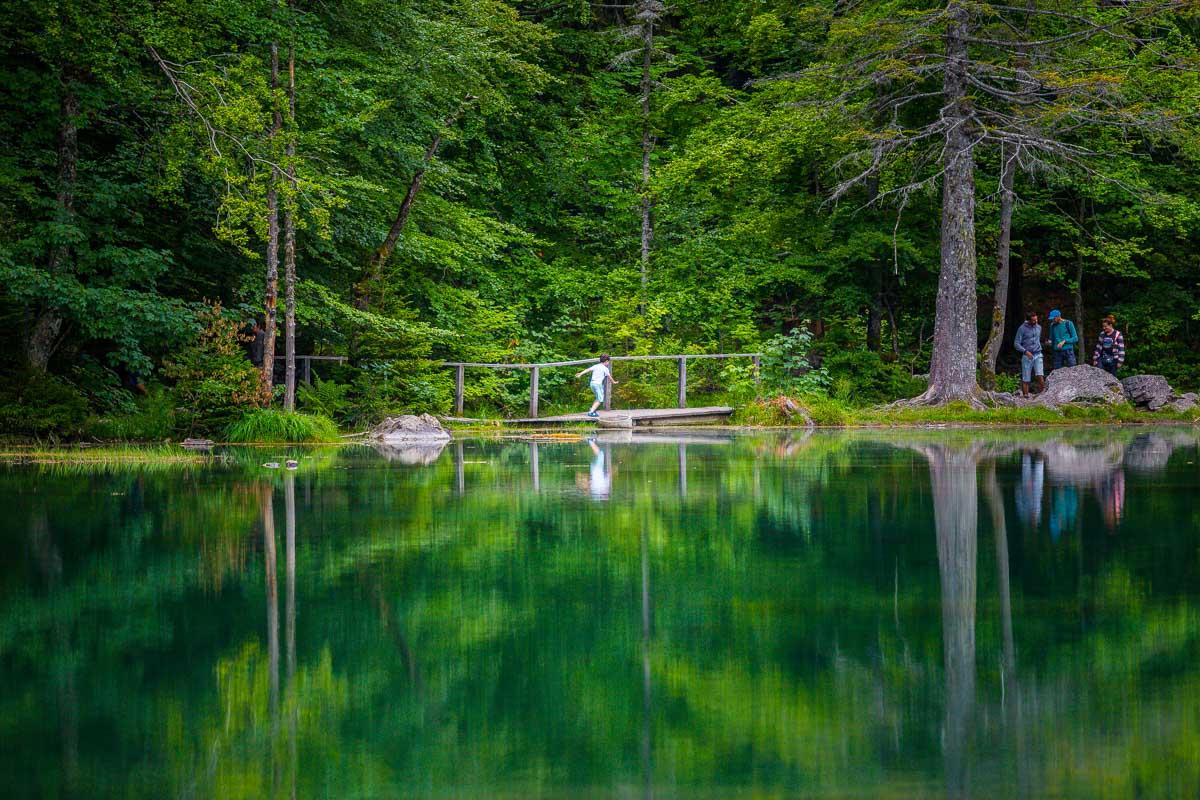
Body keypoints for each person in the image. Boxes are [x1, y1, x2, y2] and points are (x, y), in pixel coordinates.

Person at [1013, 311, 1045, 397]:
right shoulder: (1022, 329)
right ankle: (1026, 396)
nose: (1035, 322)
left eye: (1036, 319)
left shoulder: (1039, 327)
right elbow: (1016, 343)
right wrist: (1025, 352)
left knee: (1040, 374)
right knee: (1026, 377)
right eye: (1033, 320)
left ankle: (1043, 395)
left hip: (1038, 354)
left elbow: (1038, 340)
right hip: (1027, 355)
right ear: (1028, 320)